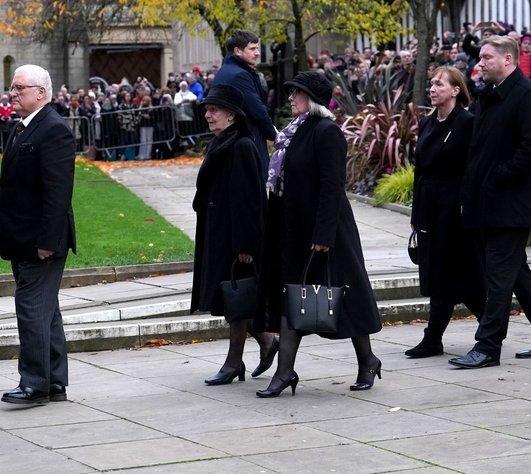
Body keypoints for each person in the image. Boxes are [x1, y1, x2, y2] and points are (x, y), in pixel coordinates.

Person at [253, 71, 382, 397]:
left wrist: (323, 234)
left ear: (312, 99)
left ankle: (367, 361)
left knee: (345, 297)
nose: (291, 98)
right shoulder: (294, 132)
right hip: (295, 232)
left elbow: (332, 187)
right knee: (293, 299)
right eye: (291, 92)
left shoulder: (326, 132)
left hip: (328, 235)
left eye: (297, 93)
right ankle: (284, 373)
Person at [0, 64, 77, 406]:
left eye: (19, 87)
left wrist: (47, 243)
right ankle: (53, 381)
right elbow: (10, 187)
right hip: (20, 235)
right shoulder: (22, 128)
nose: (13, 92)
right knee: (45, 310)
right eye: (13, 87)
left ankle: (35, 382)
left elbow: (58, 193)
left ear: (41, 92)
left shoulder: (53, 129)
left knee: (31, 309)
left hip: (40, 240)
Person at [191, 85, 278, 385]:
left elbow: (251, 200)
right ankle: (266, 342)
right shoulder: (220, 142)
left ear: (231, 115)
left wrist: (246, 243)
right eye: (207, 109)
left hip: (235, 238)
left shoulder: (241, 145)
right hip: (219, 233)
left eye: (214, 109)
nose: (208, 114)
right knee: (233, 298)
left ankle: (233, 363)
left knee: (236, 298)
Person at [453, 36, 531, 369]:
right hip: (488, 204)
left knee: (499, 277)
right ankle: (488, 344)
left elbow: (529, 151)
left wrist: (496, 178)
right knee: (516, 276)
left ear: (508, 60)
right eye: (480, 57)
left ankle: (487, 346)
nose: (479, 63)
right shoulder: (489, 96)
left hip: (510, 206)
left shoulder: (525, 96)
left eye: (486, 58)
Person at [405, 67, 485, 357]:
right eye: (432, 84)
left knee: (454, 272)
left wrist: (468, 207)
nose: (433, 88)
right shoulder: (427, 123)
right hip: (429, 205)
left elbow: (473, 169)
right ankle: (485, 327)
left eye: (440, 84)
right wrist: (415, 214)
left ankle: (439, 336)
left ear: (455, 90)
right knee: (446, 273)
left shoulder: (467, 123)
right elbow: (420, 172)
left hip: (456, 207)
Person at [213, 30, 276, 175]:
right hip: (246, 141)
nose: (257, 53)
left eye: (257, 48)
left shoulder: (224, 71)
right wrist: (275, 136)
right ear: (237, 51)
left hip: (230, 139)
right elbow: (257, 111)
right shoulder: (240, 75)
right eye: (252, 49)